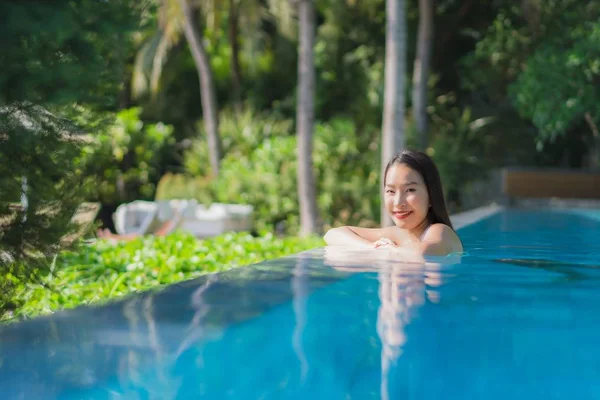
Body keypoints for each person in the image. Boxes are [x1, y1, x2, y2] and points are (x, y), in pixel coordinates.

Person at [324, 149, 463, 256]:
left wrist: (391, 250)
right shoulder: (399, 234)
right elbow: (332, 234)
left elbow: (423, 253)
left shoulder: (440, 231)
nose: (398, 202)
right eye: (391, 191)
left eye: (410, 190)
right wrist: (370, 247)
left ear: (431, 195)